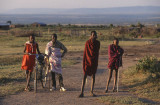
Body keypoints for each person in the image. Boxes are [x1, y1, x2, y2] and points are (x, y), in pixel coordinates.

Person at [79, 31, 100, 97]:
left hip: (94, 61)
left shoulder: (98, 43)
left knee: (93, 76)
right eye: (93, 35)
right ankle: (82, 92)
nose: (94, 36)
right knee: (84, 76)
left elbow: (96, 51)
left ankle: (91, 92)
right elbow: (86, 52)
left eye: (95, 35)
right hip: (87, 61)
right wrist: (85, 60)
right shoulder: (87, 43)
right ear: (90, 36)